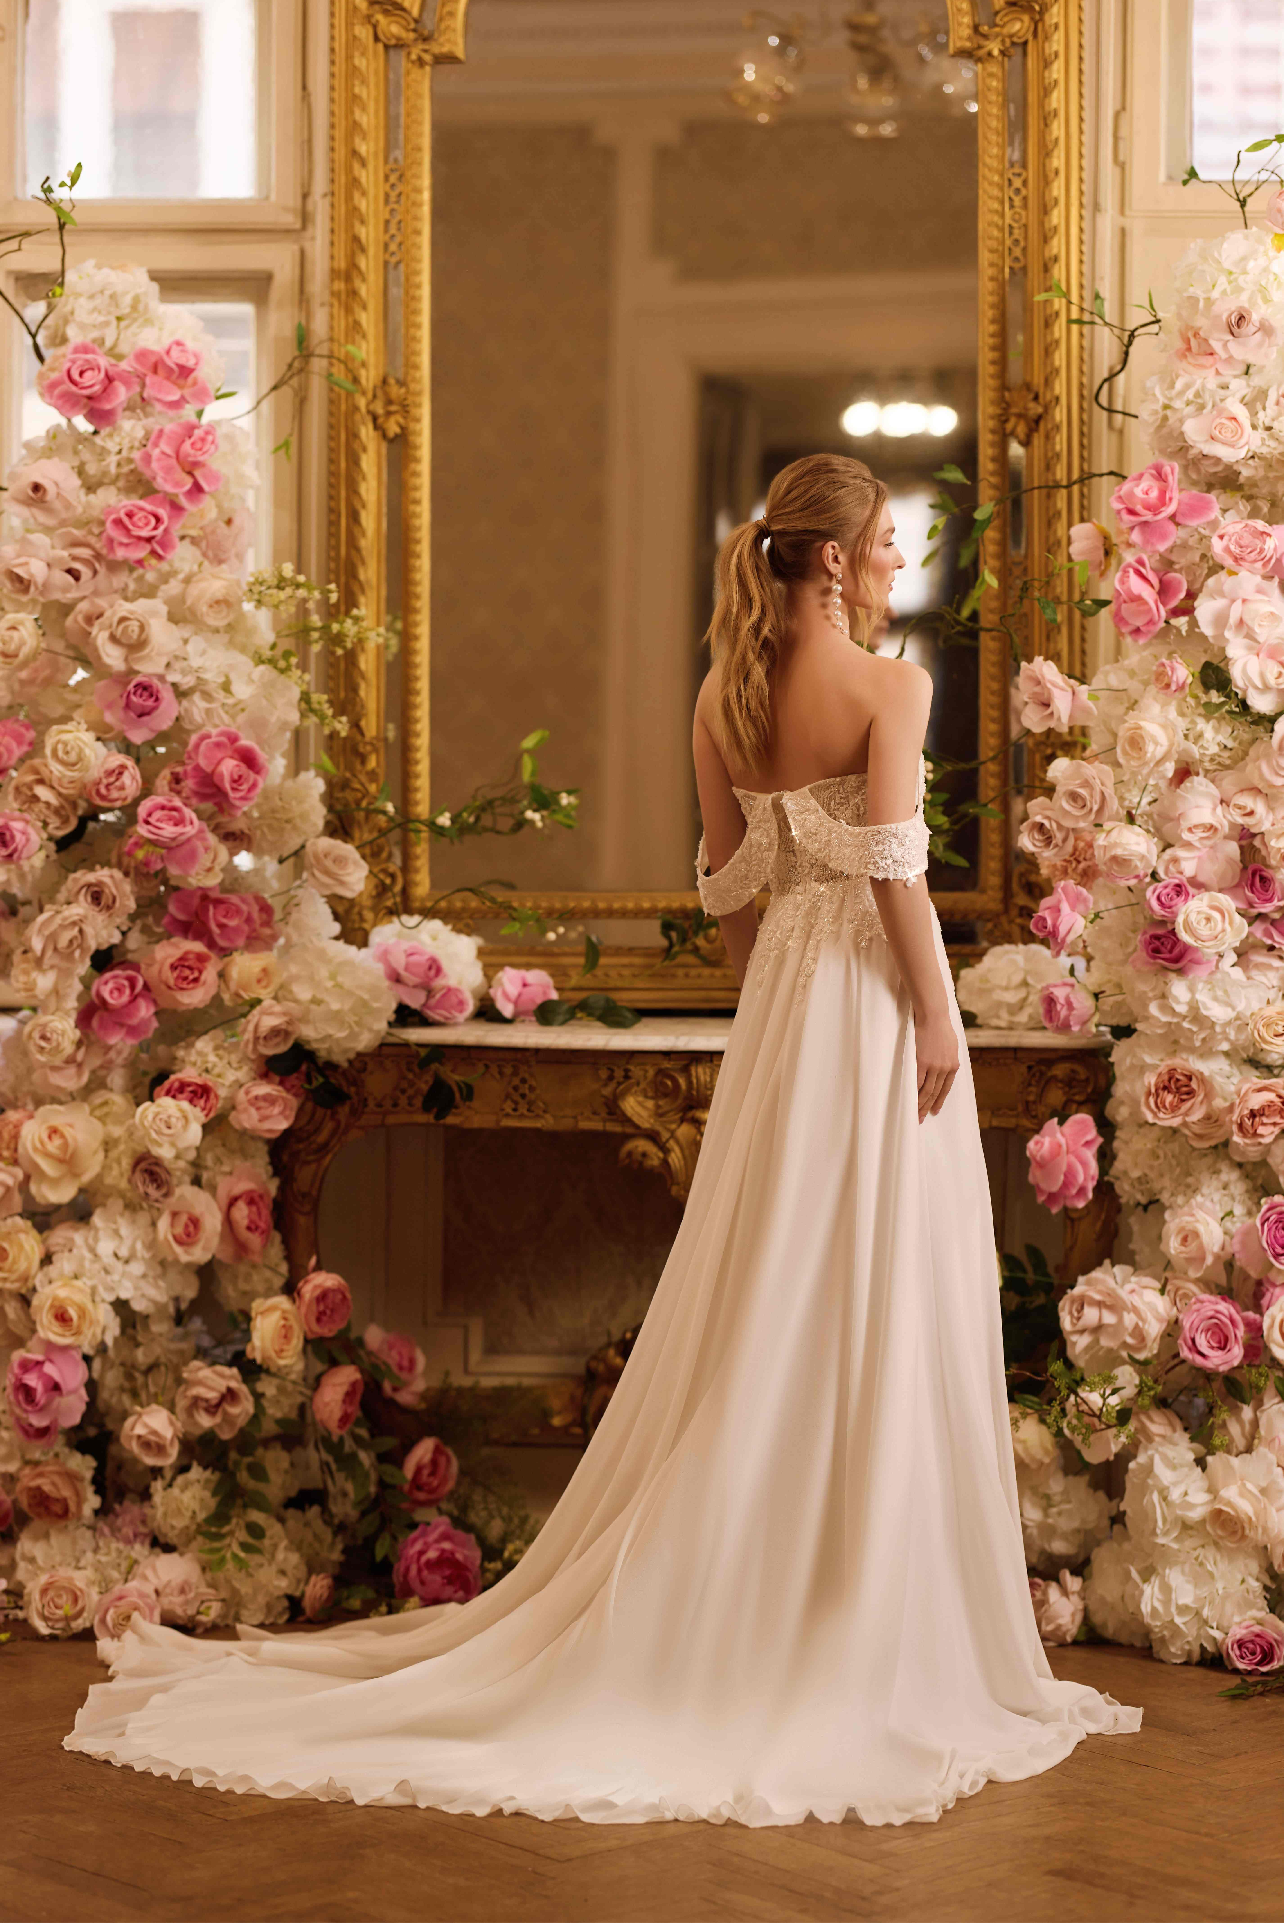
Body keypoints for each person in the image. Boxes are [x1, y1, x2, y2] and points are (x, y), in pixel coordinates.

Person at [63, 453, 1142, 1827]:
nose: (893, 565)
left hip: (787, 1015)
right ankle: (848, 1606)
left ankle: (780, 1592)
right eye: (883, 543)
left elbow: (734, 895)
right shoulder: (892, 686)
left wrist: (776, 1022)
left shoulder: (724, 697)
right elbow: (894, 873)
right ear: (829, 559)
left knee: (774, 1296)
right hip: (873, 1006)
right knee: (868, 1289)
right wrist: (937, 1018)